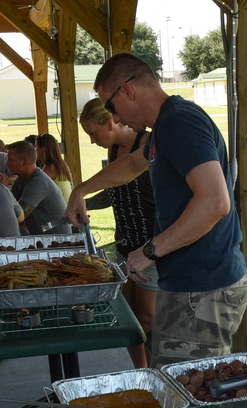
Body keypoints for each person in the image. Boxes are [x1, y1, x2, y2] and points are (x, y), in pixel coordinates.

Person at [65, 53, 247, 367]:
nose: (116, 118)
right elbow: (132, 164)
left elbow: (215, 202)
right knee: (172, 383)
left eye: (111, 106)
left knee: (185, 399)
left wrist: (150, 250)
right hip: (190, 285)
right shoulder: (164, 127)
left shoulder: (179, 122)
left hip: (202, 289)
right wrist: (81, 190)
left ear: (127, 90)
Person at [79, 98, 157, 368]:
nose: (91, 140)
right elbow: (115, 194)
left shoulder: (149, 144)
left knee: (146, 319)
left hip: (151, 248)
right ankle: (142, 371)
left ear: (109, 122)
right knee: (127, 318)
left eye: (92, 132)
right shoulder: (113, 152)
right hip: (124, 246)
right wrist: (83, 203)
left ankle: (156, 370)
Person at [6, 140, 70, 235]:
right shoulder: (21, 180)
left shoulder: (39, 182)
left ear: (24, 162)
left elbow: (18, 216)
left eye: (10, 159)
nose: (6, 163)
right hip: (42, 236)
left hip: (57, 240)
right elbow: (9, 204)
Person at [35, 133, 73, 203]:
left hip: (63, 212)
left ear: (42, 149)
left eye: (36, 147)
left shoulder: (51, 168)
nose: (35, 150)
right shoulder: (60, 164)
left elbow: (35, 186)